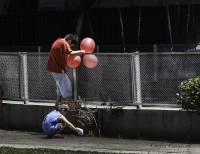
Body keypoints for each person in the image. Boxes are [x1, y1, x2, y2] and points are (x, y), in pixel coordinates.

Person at [46, 34, 85, 107]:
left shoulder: (58, 41)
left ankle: (57, 105)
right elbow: (70, 52)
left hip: (54, 69)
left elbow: (66, 52)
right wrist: (81, 51)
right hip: (58, 70)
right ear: (69, 41)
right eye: (71, 46)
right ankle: (71, 106)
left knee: (60, 87)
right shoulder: (64, 43)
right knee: (66, 86)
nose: (70, 47)